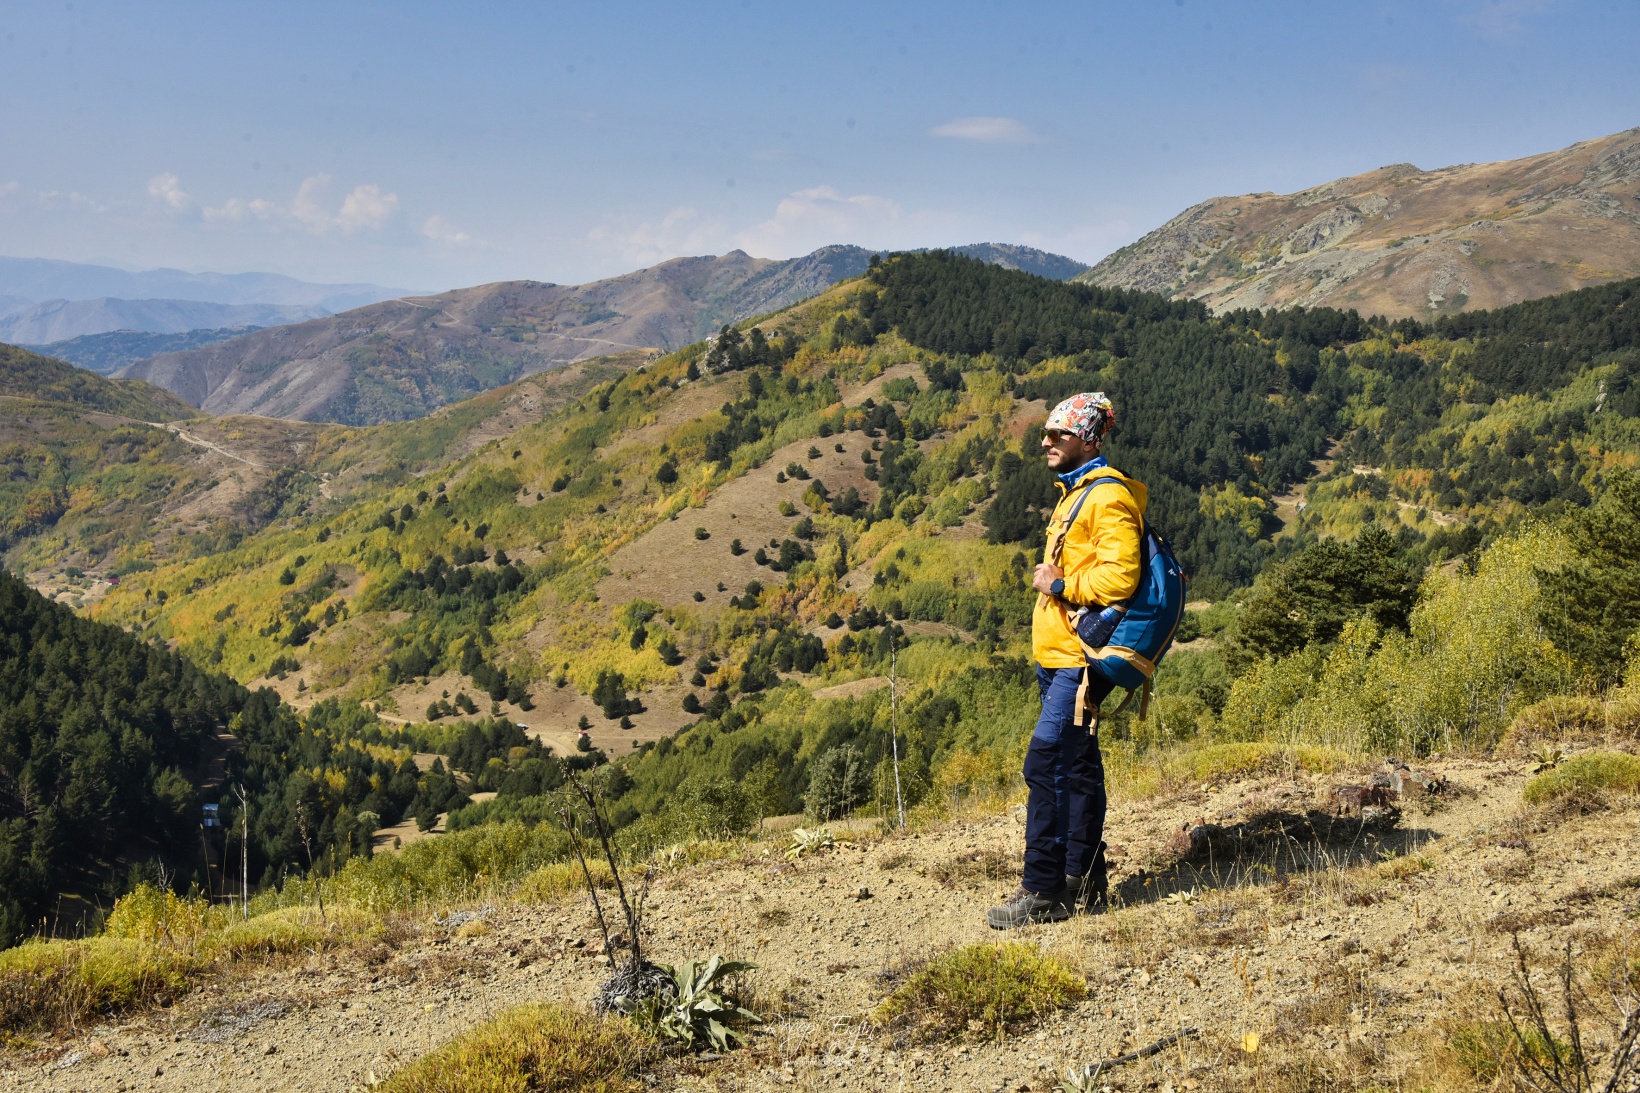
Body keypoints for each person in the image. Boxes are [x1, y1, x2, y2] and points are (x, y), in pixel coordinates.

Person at [987, 391, 1145, 929]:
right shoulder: (1075, 492)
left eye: (1059, 433)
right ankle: (1084, 879)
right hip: (1058, 656)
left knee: (1047, 762)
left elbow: (1121, 578)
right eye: (1046, 433)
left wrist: (1060, 584)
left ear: (1089, 440)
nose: (1047, 442)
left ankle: (1044, 890)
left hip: (1079, 660)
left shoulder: (1107, 497)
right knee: (1075, 766)